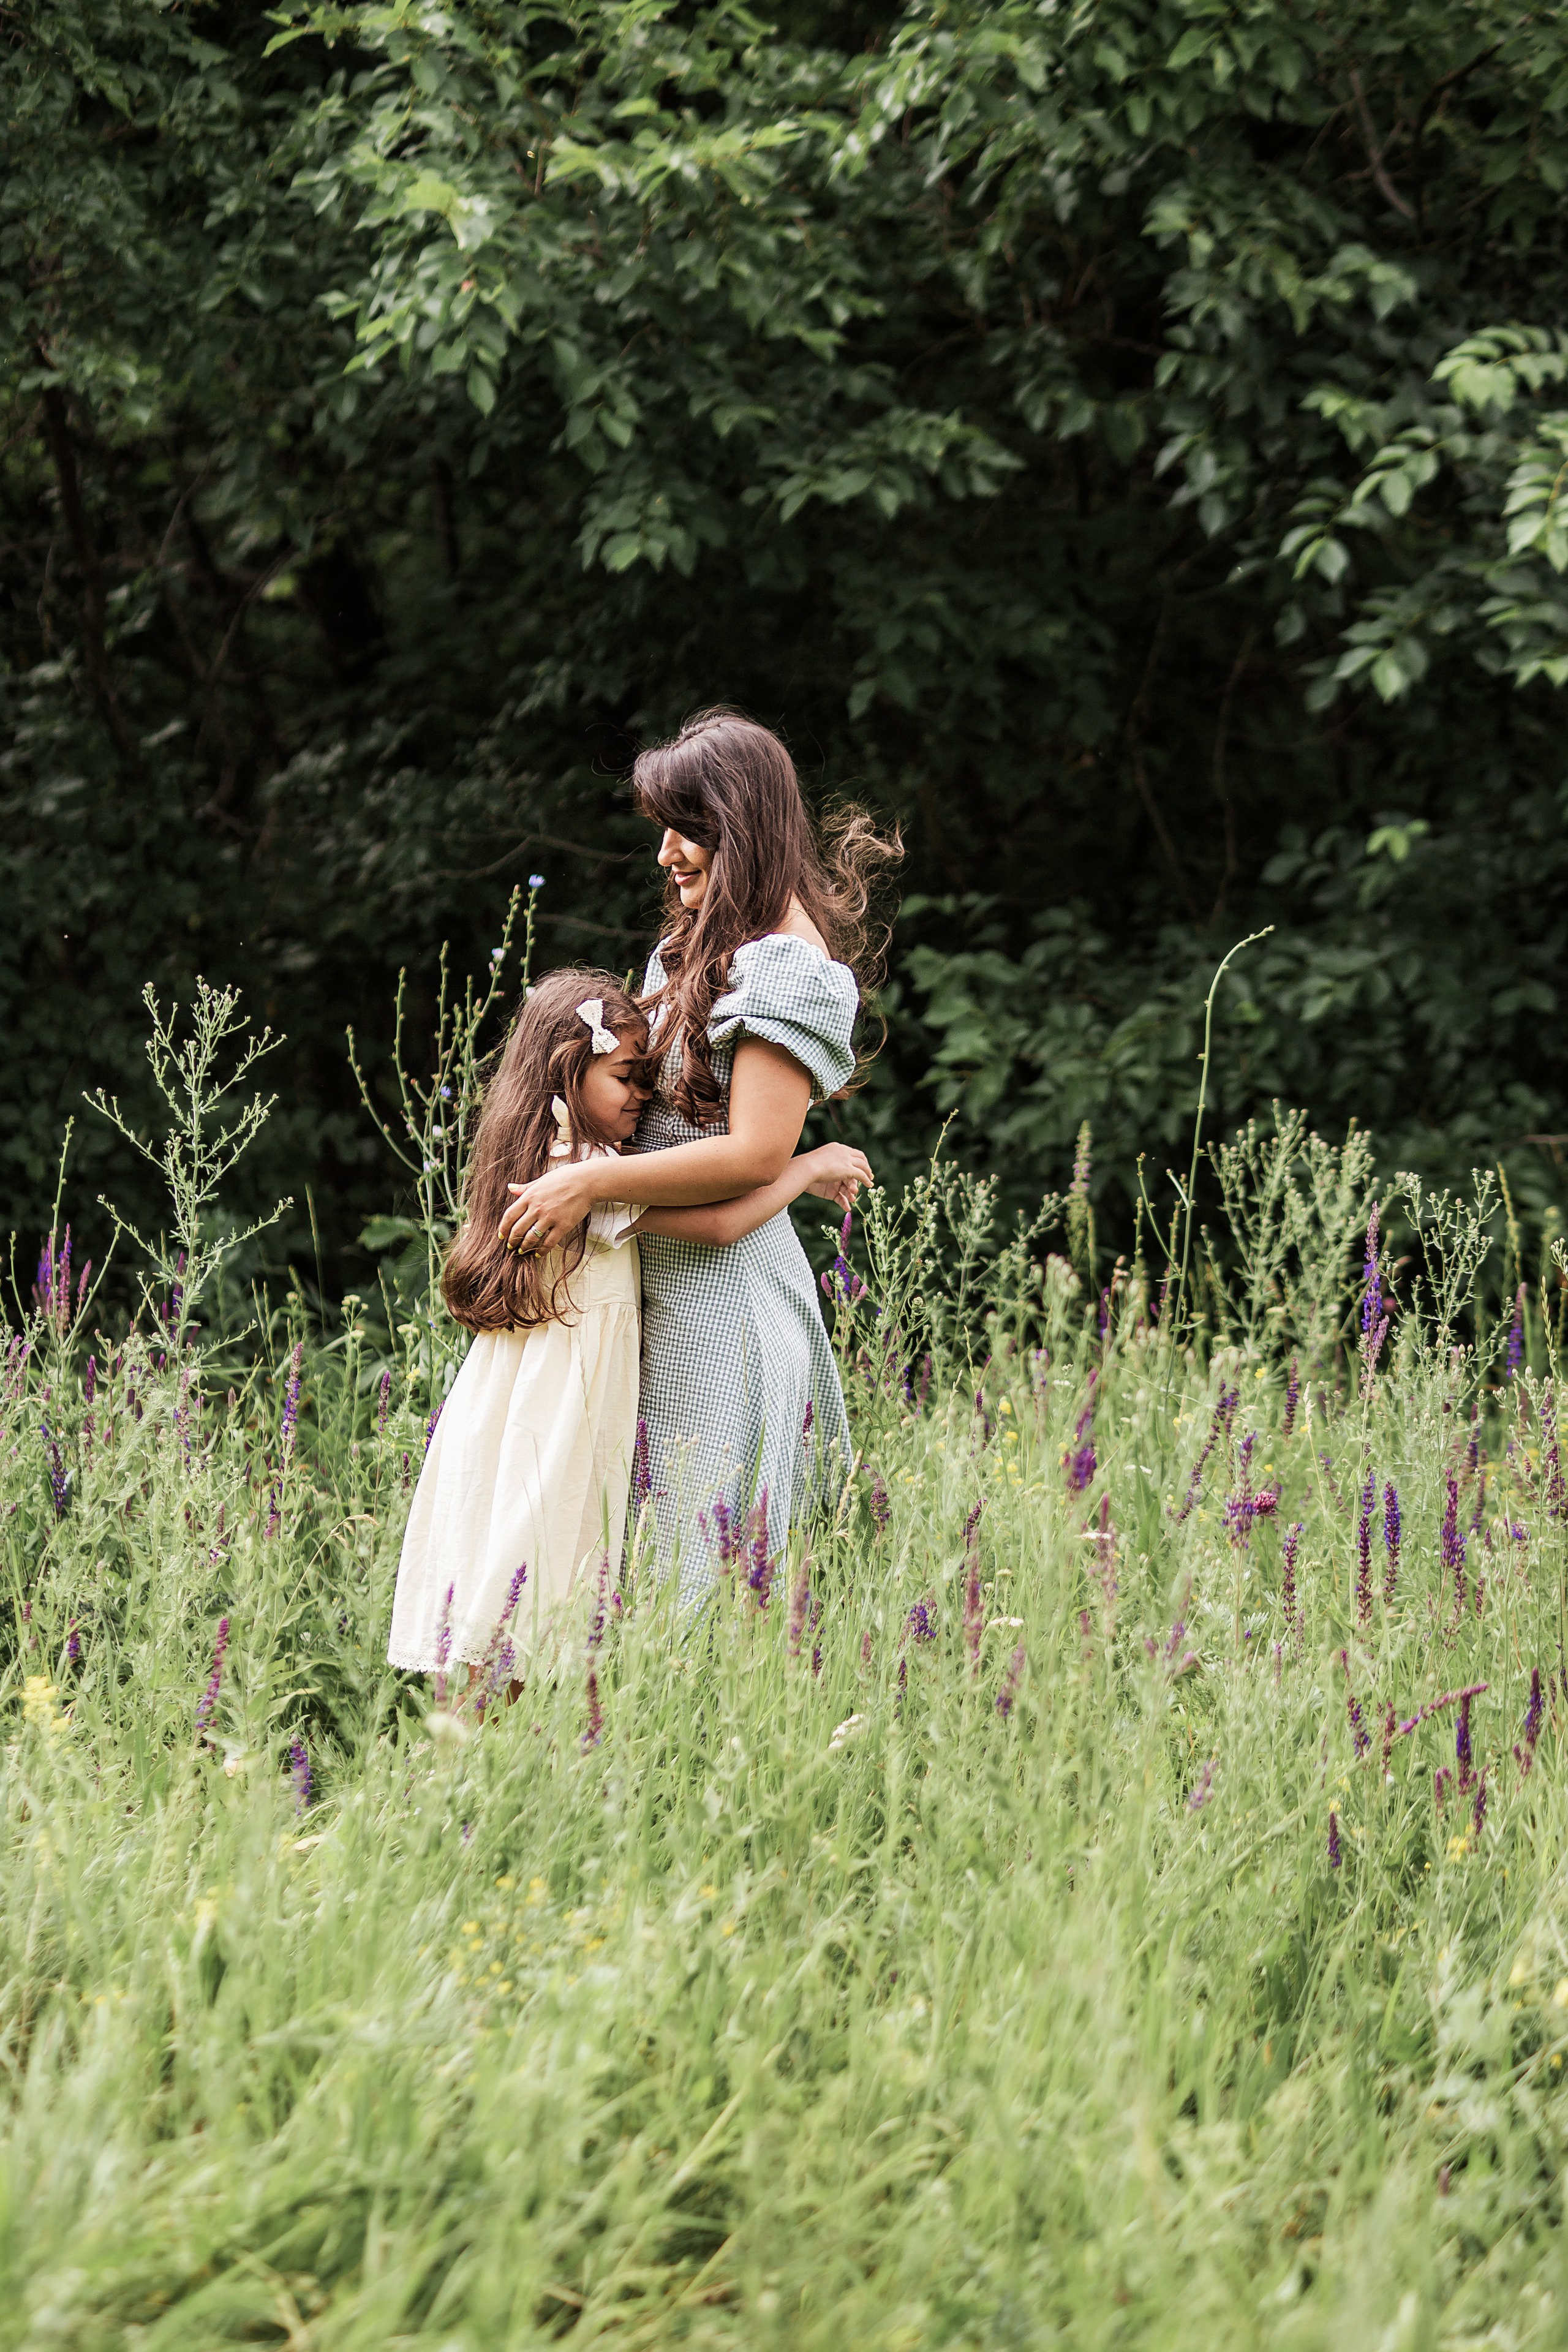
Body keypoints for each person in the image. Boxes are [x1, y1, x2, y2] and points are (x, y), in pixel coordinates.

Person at [497, 710, 900, 1599]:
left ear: (742, 828)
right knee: (626, 1585)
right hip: (656, 1293)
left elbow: (755, 1154)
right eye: (663, 830)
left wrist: (590, 1185)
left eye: (690, 830)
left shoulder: (787, 969)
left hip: (726, 1314)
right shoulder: (693, 950)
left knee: (695, 1598)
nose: (667, 853)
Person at [388, 966, 869, 1676]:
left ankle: (482, 1751)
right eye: (625, 1076)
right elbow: (718, 1224)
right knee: (530, 1573)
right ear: (567, 1073)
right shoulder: (582, 1176)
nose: (644, 1096)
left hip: (517, 1400)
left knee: (508, 1563)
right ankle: (480, 1752)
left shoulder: (559, 1161)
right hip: (557, 1411)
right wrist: (807, 1166)